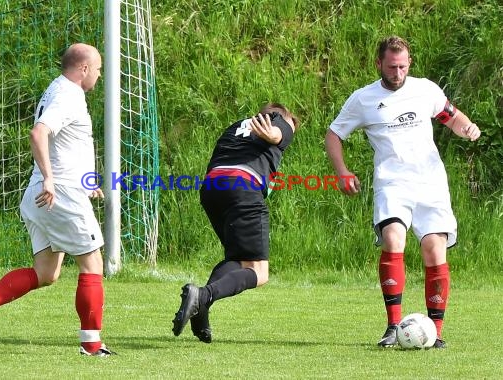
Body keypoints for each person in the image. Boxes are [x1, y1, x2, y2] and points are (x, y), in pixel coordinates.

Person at [0, 43, 114, 356]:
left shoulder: (58, 89)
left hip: (41, 193)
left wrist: (87, 179)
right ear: (83, 69)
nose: (98, 75)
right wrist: (52, 179)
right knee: (92, 263)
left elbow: (64, 143)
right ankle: (92, 346)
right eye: (97, 69)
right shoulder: (68, 95)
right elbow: (38, 133)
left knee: (45, 273)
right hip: (59, 194)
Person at [325, 36, 481, 349]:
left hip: (431, 183)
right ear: (378, 64)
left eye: (403, 66)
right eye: (392, 66)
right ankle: (393, 325)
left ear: (409, 64)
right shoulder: (363, 99)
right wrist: (342, 172)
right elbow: (333, 134)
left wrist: (468, 127)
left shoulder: (425, 89)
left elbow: (451, 116)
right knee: (394, 239)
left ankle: (434, 331)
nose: (398, 72)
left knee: (434, 249)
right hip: (392, 182)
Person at [171, 102, 299, 343]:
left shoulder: (235, 128)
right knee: (258, 272)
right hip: (242, 186)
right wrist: (277, 131)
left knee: (236, 260)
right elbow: (279, 131)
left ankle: (201, 310)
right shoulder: (278, 120)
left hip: (212, 188)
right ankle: (203, 296)